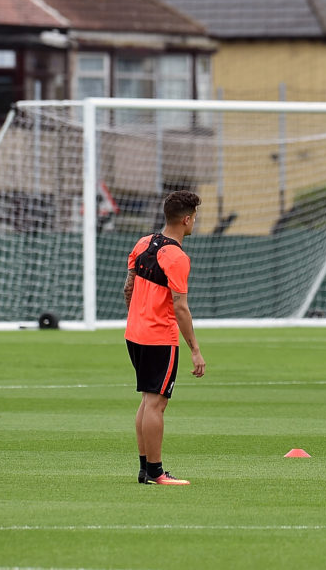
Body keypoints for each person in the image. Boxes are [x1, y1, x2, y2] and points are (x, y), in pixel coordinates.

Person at [122, 190, 206, 485]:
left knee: (147, 401)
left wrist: (138, 316)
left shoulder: (143, 242)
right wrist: (195, 350)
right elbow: (180, 308)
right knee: (156, 404)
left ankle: (145, 470)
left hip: (134, 334)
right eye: (194, 217)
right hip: (159, 337)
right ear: (186, 219)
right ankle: (157, 472)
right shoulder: (177, 257)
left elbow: (128, 289)